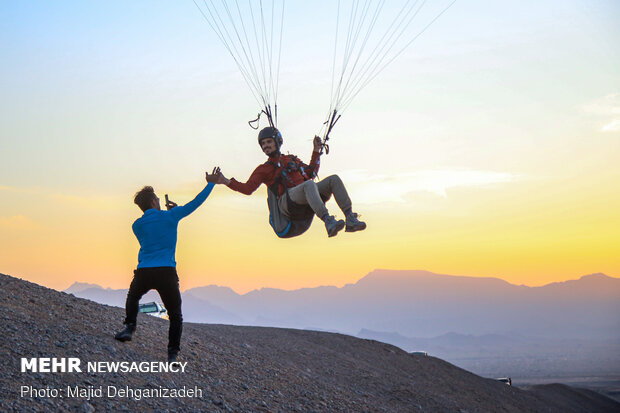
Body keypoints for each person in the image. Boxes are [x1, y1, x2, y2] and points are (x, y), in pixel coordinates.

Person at [114, 169, 220, 362]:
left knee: (133, 296)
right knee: (175, 314)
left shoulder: (136, 225)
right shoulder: (172, 216)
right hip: (167, 272)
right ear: (155, 202)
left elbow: (154, 230)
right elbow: (196, 202)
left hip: (144, 271)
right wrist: (211, 183)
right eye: (157, 200)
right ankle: (172, 354)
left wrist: (169, 215)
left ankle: (129, 327)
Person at [212, 127, 365, 237]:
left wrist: (316, 150)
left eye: (268, 142)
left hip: (305, 195)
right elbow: (248, 188)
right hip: (287, 203)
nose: (265, 146)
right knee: (309, 185)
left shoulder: (291, 159)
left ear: (277, 141)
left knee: (334, 179)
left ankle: (350, 218)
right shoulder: (264, 169)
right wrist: (225, 181)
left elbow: (311, 172)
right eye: (263, 144)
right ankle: (327, 221)